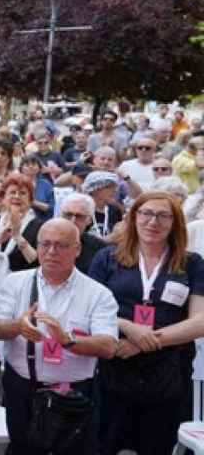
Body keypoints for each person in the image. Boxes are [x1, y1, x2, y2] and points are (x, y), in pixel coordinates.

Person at [0, 219, 119, 455]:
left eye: (61, 245)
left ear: (77, 249)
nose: (51, 252)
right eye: (45, 244)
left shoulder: (98, 293)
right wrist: (18, 326)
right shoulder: (15, 282)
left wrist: (67, 340)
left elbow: (109, 346)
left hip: (75, 394)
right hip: (22, 389)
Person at [89, 191, 204, 454]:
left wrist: (146, 341)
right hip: (114, 366)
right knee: (106, 445)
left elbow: (200, 321)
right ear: (134, 218)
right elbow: (89, 310)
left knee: (157, 446)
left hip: (168, 373)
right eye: (147, 214)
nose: (154, 222)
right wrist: (129, 328)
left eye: (164, 216)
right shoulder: (108, 258)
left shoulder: (192, 264)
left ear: (175, 223)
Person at [0, 173, 43, 311]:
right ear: (3, 198)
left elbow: (37, 262)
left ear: (30, 200)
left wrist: (18, 236)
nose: (17, 197)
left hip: (22, 296)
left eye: (23, 193)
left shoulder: (39, 226)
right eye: (12, 192)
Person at [57, 193, 108, 273]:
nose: (72, 221)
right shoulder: (44, 239)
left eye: (79, 216)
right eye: (68, 215)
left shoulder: (100, 249)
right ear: (60, 216)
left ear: (89, 220)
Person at [81, 171, 122, 238]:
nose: (114, 190)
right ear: (95, 189)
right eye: (109, 187)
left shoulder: (115, 210)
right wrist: (108, 240)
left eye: (114, 187)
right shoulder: (82, 210)